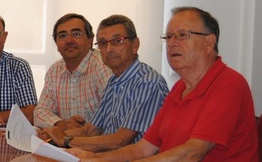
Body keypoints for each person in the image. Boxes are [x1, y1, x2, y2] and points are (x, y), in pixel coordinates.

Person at [71, 7, 262, 162]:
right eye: (168, 37)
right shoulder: (180, 87)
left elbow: (193, 154)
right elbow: (144, 148)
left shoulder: (229, 84)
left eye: (182, 35)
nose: (172, 44)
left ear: (209, 42)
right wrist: (92, 159)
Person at [41, 15, 168, 152]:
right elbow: (90, 130)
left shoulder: (147, 82)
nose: (108, 49)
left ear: (135, 45)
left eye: (117, 41)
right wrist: (50, 135)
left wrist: (66, 140)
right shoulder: (115, 81)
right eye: (102, 43)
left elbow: (120, 141)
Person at [34, 13, 113, 131]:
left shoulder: (102, 65)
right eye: (62, 36)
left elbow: (112, 115)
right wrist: (62, 125)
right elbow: (40, 112)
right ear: (56, 44)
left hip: (98, 145)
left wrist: (79, 132)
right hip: (66, 144)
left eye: (76, 34)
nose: (69, 40)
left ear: (90, 40)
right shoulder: (54, 71)